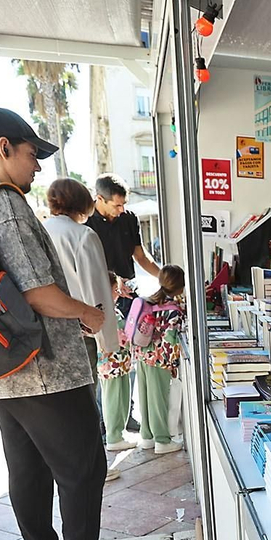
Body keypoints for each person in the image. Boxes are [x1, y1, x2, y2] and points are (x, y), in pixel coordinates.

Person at [0, 108, 139, 540]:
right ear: (4, 147)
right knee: (82, 467)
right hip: (44, 365)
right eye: (32, 154)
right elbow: (38, 292)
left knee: (27, 468)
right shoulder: (4, 202)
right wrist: (90, 316)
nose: (37, 167)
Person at [42, 178, 125, 472]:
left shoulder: (40, 231)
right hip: (81, 330)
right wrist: (108, 340)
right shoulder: (83, 235)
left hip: (45, 331)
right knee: (86, 402)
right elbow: (96, 290)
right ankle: (92, 466)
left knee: (60, 406)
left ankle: (68, 466)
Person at [86, 174, 160, 434]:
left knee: (129, 360)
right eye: (116, 205)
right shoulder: (86, 221)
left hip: (131, 296)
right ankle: (105, 423)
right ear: (99, 199)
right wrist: (112, 284)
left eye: (124, 204)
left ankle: (125, 415)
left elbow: (139, 255)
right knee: (105, 364)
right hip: (100, 298)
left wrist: (163, 276)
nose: (122, 209)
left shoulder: (129, 218)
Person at [130, 265, 188, 454]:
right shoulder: (174, 311)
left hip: (142, 355)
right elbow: (171, 339)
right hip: (159, 359)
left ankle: (147, 436)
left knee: (145, 397)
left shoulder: (151, 301)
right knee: (158, 399)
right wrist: (173, 363)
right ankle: (162, 440)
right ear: (181, 286)